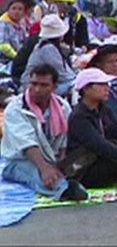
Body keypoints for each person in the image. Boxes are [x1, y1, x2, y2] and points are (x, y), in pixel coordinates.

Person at [1, 64, 88, 201]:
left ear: (54, 87)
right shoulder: (15, 109)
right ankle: (63, 190)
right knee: (35, 173)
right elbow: (27, 144)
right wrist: (45, 168)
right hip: (20, 161)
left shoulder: (62, 106)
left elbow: (65, 140)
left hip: (52, 158)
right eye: (34, 84)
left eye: (44, 85)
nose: (37, 89)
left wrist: (61, 164)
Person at [22, 14, 74, 96]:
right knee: (74, 86)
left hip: (41, 82)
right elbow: (61, 74)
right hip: (32, 86)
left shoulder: (47, 45)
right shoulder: (48, 49)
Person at [0, 0, 29, 72]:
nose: (17, 12)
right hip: (4, 63)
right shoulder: (3, 24)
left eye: (20, 9)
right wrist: (18, 57)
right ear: (8, 10)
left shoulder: (21, 25)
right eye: (13, 8)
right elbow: (3, 46)